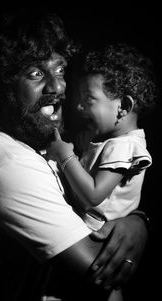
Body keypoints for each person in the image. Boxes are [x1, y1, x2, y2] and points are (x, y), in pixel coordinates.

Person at [0, 12, 149, 301]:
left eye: (60, 70)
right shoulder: (11, 165)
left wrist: (137, 219)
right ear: (3, 88)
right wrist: (138, 230)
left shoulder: (40, 145)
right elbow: (103, 274)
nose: (58, 87)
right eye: (36, 73)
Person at [47, 43, 157, 300]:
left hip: (98, 243)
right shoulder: (112, 141)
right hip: (94, 239)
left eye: (90, 100)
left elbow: (93, 195)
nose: (79, 107)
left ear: (124, 107)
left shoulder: (125, 146)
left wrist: (65, 156)